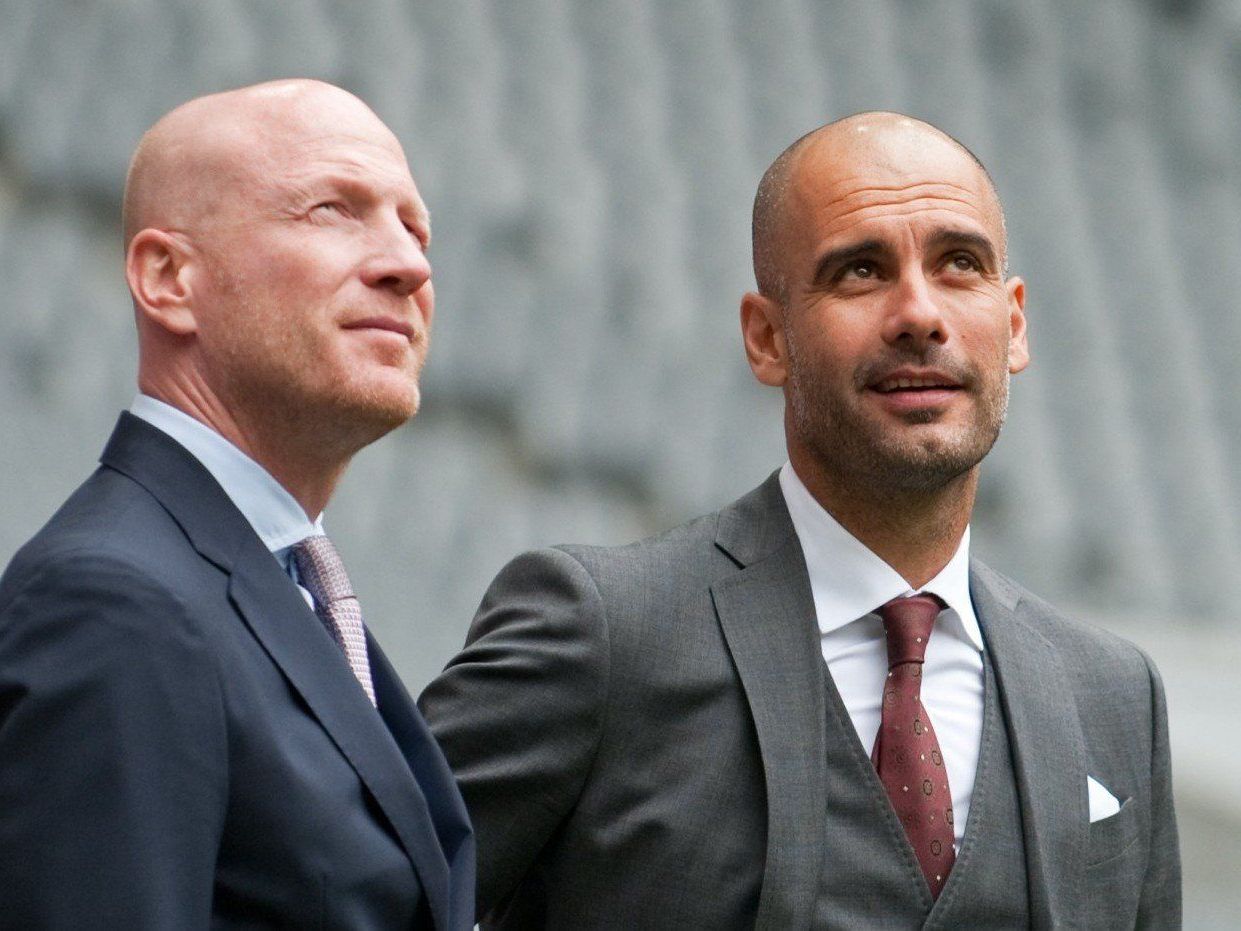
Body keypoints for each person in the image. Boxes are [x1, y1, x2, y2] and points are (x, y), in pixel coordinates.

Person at [419, 112, 1180, 928]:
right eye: (859, 271)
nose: (918, 313)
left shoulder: (1110, 695)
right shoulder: (601, 633)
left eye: (960, 264)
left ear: (1014, 322)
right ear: (766, 337)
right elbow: (361, 892)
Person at [0, 80, 474, 928]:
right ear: (168, 276)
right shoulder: (113, 601)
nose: (410, 263)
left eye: (415, 225)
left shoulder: (282, 583)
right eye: (334, 208)